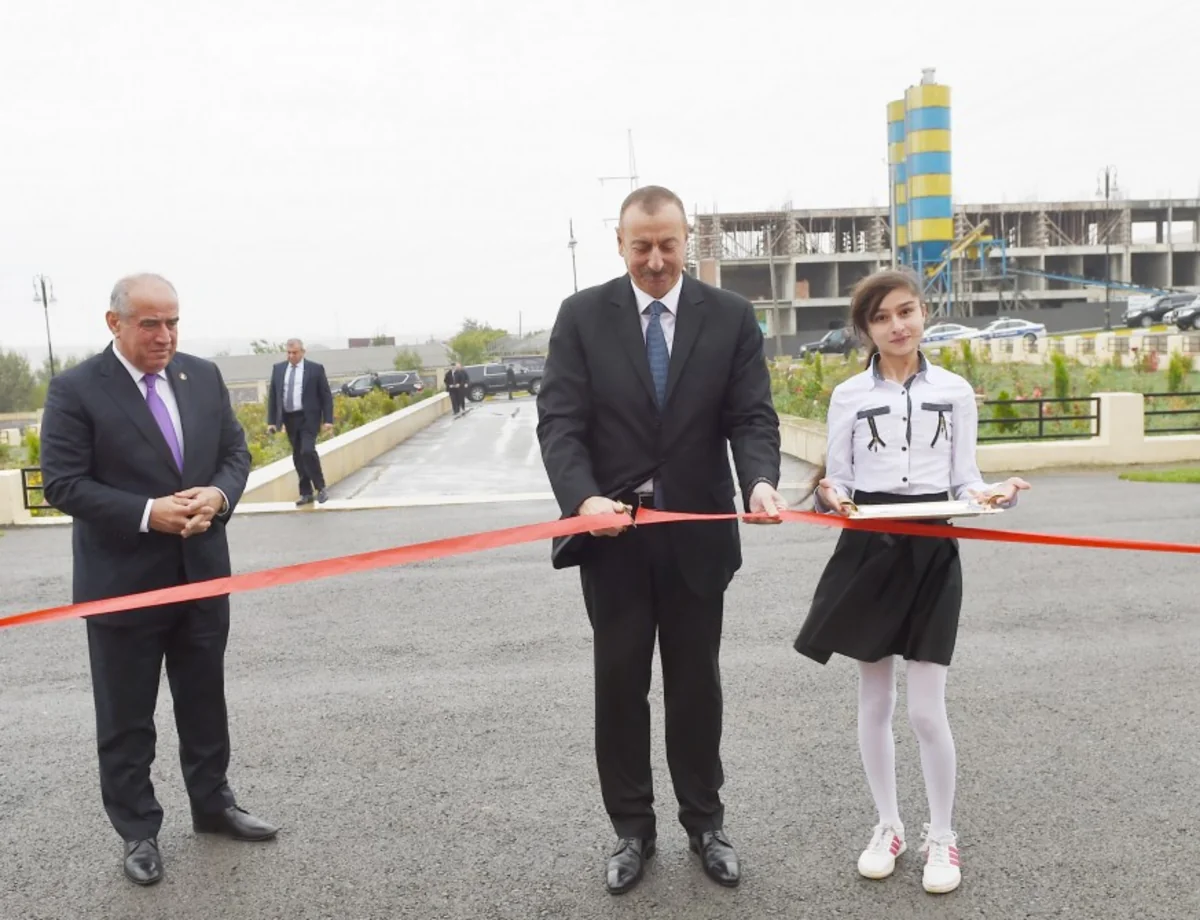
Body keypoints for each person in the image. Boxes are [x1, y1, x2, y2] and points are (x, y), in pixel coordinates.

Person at [537, 185, 787, 895]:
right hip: (613, 541)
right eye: (640, 245)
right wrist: (582, 497)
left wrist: (760, 482)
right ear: (620, 243)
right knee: (619, 687)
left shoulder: (731, 317)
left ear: (688, 241)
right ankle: (631, 831)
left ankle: (705, 824)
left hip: (696, 540)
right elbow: (560, 423)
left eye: (667, 244)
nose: (654, 259)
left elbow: (752, 417)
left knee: (696, 687)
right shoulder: (582, 318)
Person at [793, 268, 1030, 895]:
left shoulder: (954, 390)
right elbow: (836, 479)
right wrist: (830, 494)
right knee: (875, 702)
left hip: (931, 546)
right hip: (869, 547)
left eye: (907, 311)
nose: (898, 326)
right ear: (866, 328)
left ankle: (942, 836)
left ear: (923, 313)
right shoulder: (849, 395)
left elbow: (964, 480)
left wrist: (994, 494)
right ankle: (888, 826)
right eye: (882, 317)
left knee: (927, 709)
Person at [39, 273, 278, 887]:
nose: (165, 335)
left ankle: (213, 804)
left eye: (173, 321)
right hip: (122, 583)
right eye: (150, 323)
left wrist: (219, 495)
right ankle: (138, 829)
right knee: (125, 716)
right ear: (114, 323)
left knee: (204, 702)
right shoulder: (75, 390)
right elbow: (63, 483)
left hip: (200, 575)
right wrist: (150, 514)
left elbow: (236, 455)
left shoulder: (201, 376)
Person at [267, 339, 334, 505]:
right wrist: (272, 421)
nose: (291, 356)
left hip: (309, 418)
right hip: (290, 419)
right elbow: (274, 396)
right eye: (289, 353)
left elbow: (326, 395)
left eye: (295, 352)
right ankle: (306, 493)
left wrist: (328, 420)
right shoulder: (278, 369)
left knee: (307, 450)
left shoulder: (315, 369)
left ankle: (321, 488)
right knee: (298, 456)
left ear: (303, 352)